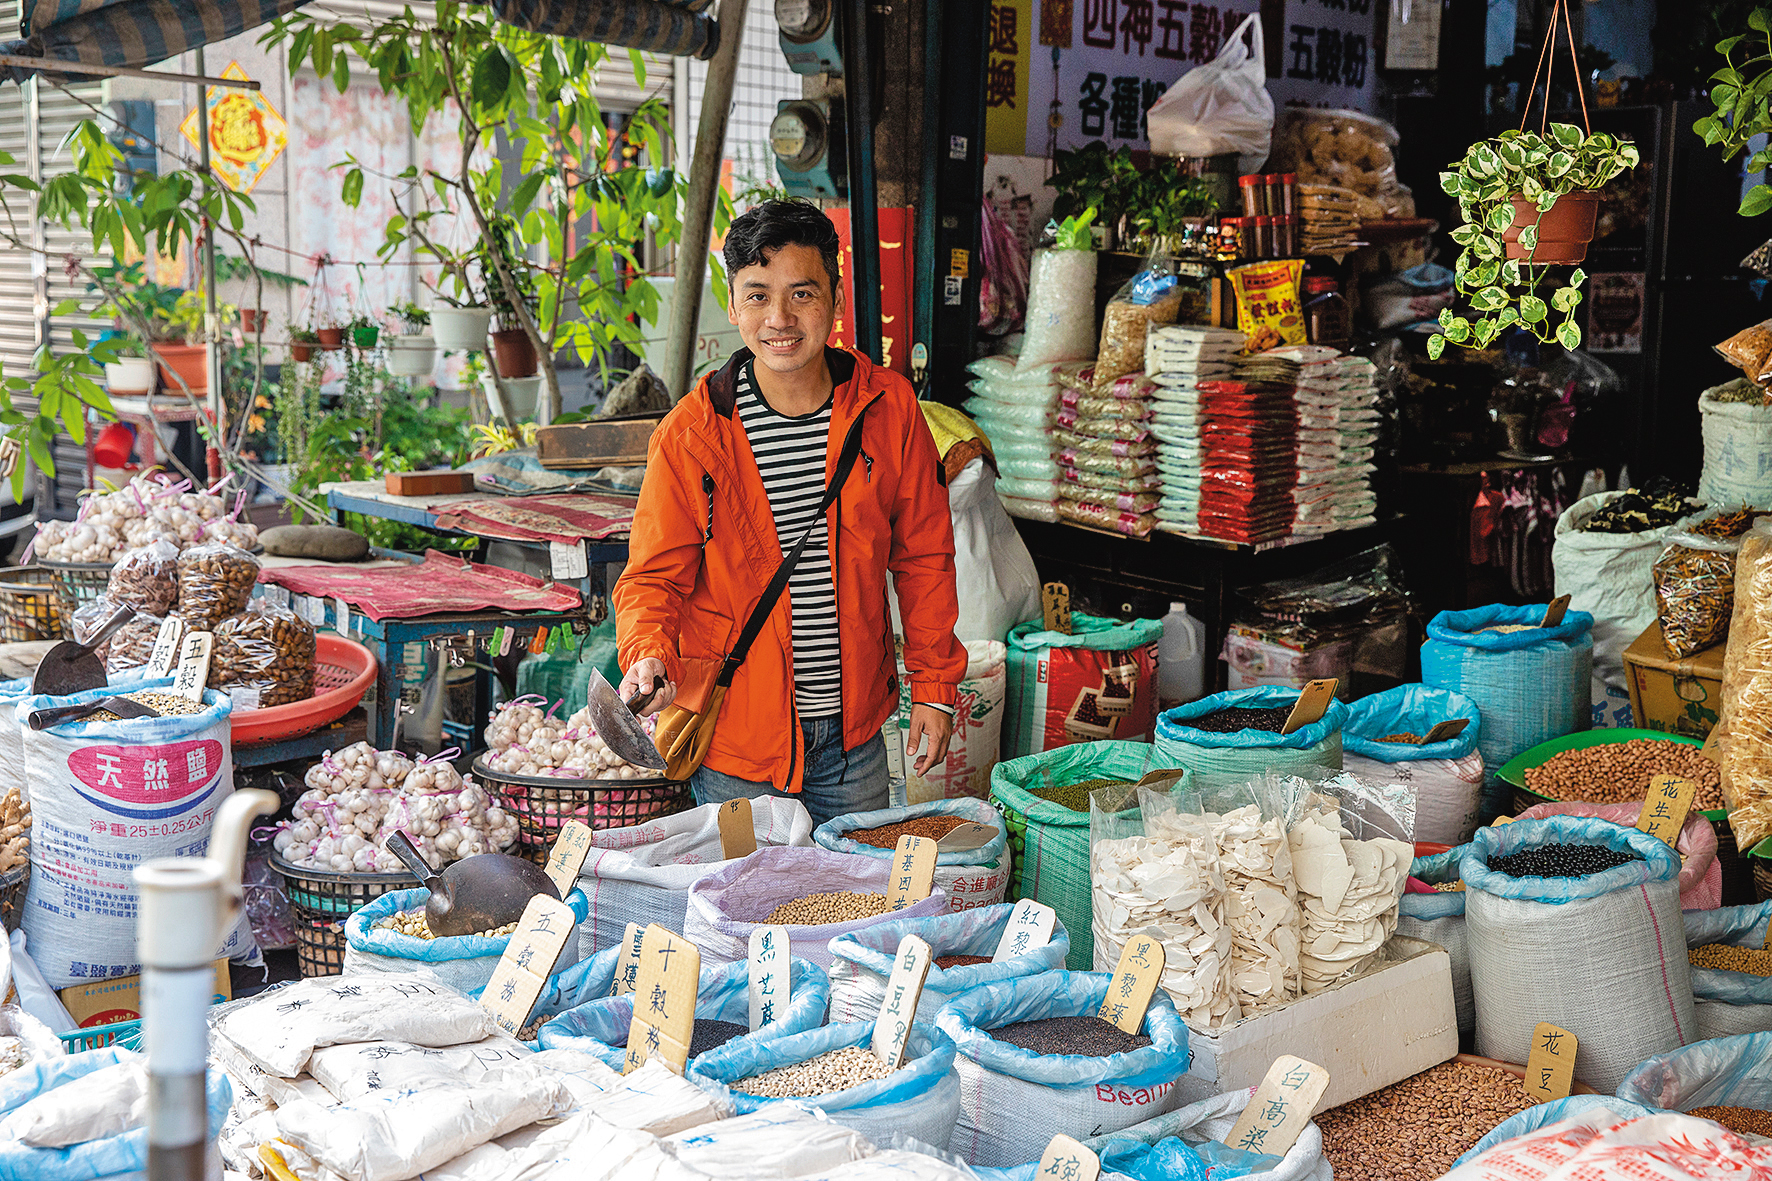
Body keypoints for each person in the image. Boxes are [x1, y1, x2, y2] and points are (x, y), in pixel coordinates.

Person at [613, 199, 965, 826]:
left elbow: (924, 557)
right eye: (756, 296)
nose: (779, 318)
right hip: (736, 745)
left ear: (835, 300)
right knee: (744, 916)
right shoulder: (691, 434)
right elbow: (653, 579)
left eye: (802, 294)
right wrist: (648, 653)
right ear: (732, 306)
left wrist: (936, 689)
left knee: (853, 911)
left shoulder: (888, 408)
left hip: (854, 742)